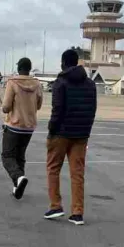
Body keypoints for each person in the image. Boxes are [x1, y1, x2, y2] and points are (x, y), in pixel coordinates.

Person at [43, 49, 97, 226]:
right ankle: (77, 212)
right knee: (77, 173)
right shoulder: (90, 84)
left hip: (61, 133)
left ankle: (55, 205)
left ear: (63, 63)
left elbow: (57, 110)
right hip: (81, 134)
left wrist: (51, 131)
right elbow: (92, 110)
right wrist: (86, 131)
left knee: (53, 168)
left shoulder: (61, 82)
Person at [1, 58, 43, 199]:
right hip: (29, 126)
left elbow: (6, 107)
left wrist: (4, 108)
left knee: (7, 156)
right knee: (20, 156)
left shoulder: (12, 82)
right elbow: (39, 105)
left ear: (19, 68)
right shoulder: (37, 83)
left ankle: (18, 177)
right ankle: (17, 186)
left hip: (14, 125)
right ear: (29, 69)